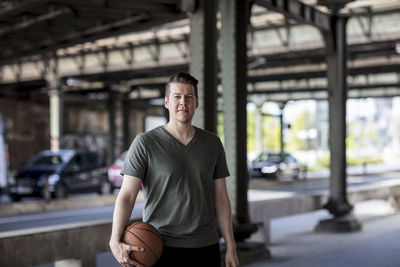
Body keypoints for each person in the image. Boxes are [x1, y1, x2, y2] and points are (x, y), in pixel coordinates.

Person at [109, 72, 239, 267]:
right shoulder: (145, 143)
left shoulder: (212, 144)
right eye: (177, 97)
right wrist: (114, 240)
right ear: (167, 102)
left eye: (189, 97)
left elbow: (221, 198)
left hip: (206, 247)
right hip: (160, 246)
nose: (183, 102)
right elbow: (127, 196)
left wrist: (231, 246)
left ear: (196, 103)